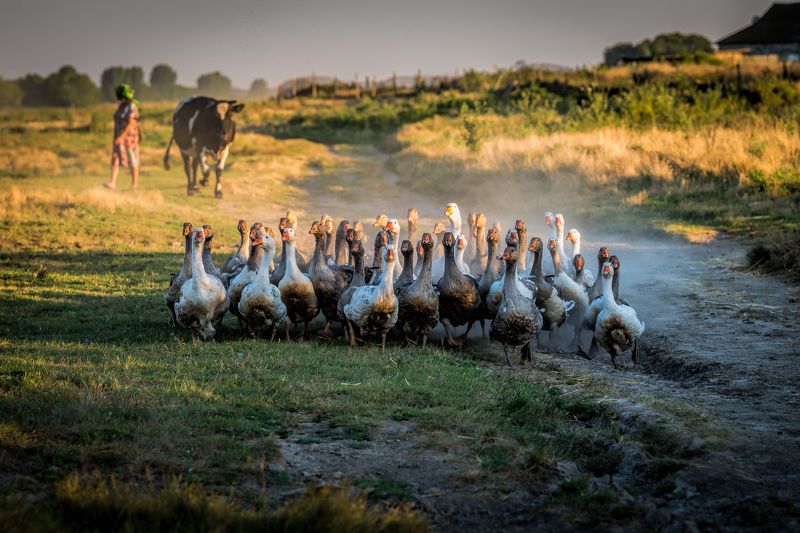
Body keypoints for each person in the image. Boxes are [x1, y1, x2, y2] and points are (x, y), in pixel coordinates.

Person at [105, 84, 141, 190]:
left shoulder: (132, 106)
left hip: (129, 138)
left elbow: (131, 124)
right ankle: (112, 182)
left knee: (132, 158)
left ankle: (134, 184)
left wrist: (122, 137)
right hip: (119, 137)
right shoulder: (122, 106)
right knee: (116, 157)